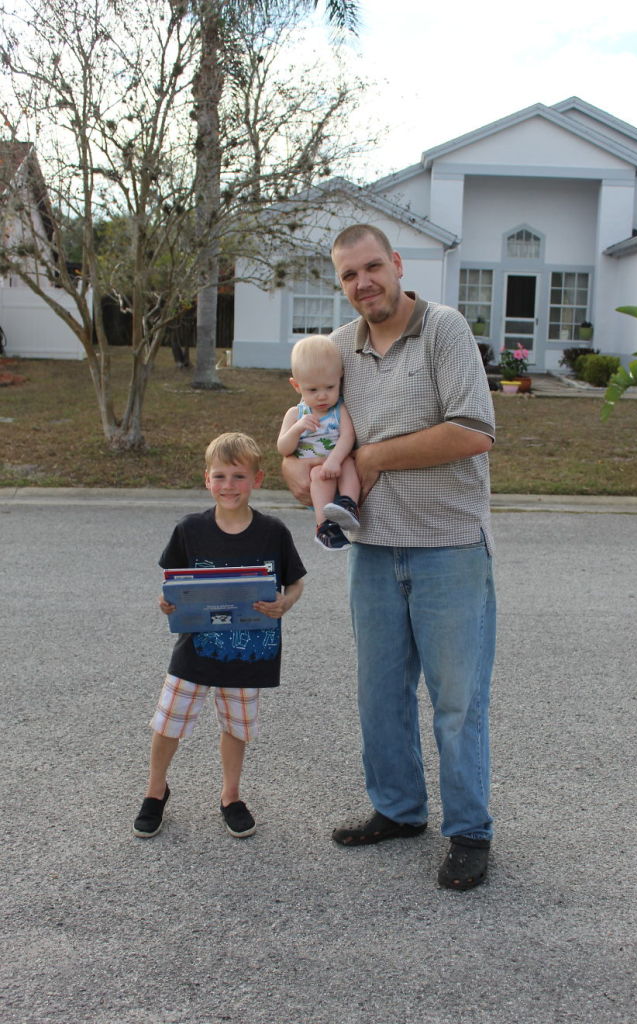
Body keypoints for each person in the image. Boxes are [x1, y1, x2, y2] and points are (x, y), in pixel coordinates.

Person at [282, 224, 496, 891]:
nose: (362, 283)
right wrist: (298, 471)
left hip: (448, 547)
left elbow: (473, 432)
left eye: (372, 267)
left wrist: (367, 458)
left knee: (457, 701)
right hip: (369, 550)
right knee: (380, 694)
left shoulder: (443, 330)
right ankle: (399, 811)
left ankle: (469, 832)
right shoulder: (336, 348)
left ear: (397, 265)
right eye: (349, 275)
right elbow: (302, 443)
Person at [134, 431, 305, 839]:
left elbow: (296, 582)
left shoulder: (273, 532)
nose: (229, 486)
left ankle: (230, 795)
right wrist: (166, 603)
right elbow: (171, 582)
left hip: (248, 652)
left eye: (239, 477)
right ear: (207, 479)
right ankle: (156, 790)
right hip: (194, 648)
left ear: (258, 479)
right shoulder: (190, 530)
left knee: (236, 726)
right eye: (221, 476)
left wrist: (286, 602)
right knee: (169, 721)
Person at [277, 333, 361, 552]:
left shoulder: (339, 409)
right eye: (313, 390)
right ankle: (324, 525)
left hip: (339, 459)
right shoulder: (296, 413)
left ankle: (348, 505)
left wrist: (334, 460)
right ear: (296, 385)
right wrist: (298, 428)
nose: (322, 396)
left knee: (348, 464)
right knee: (318, 475)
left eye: (330, 387)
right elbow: (283, 448)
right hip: (315, 469)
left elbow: (348, 437)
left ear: (340, 379)